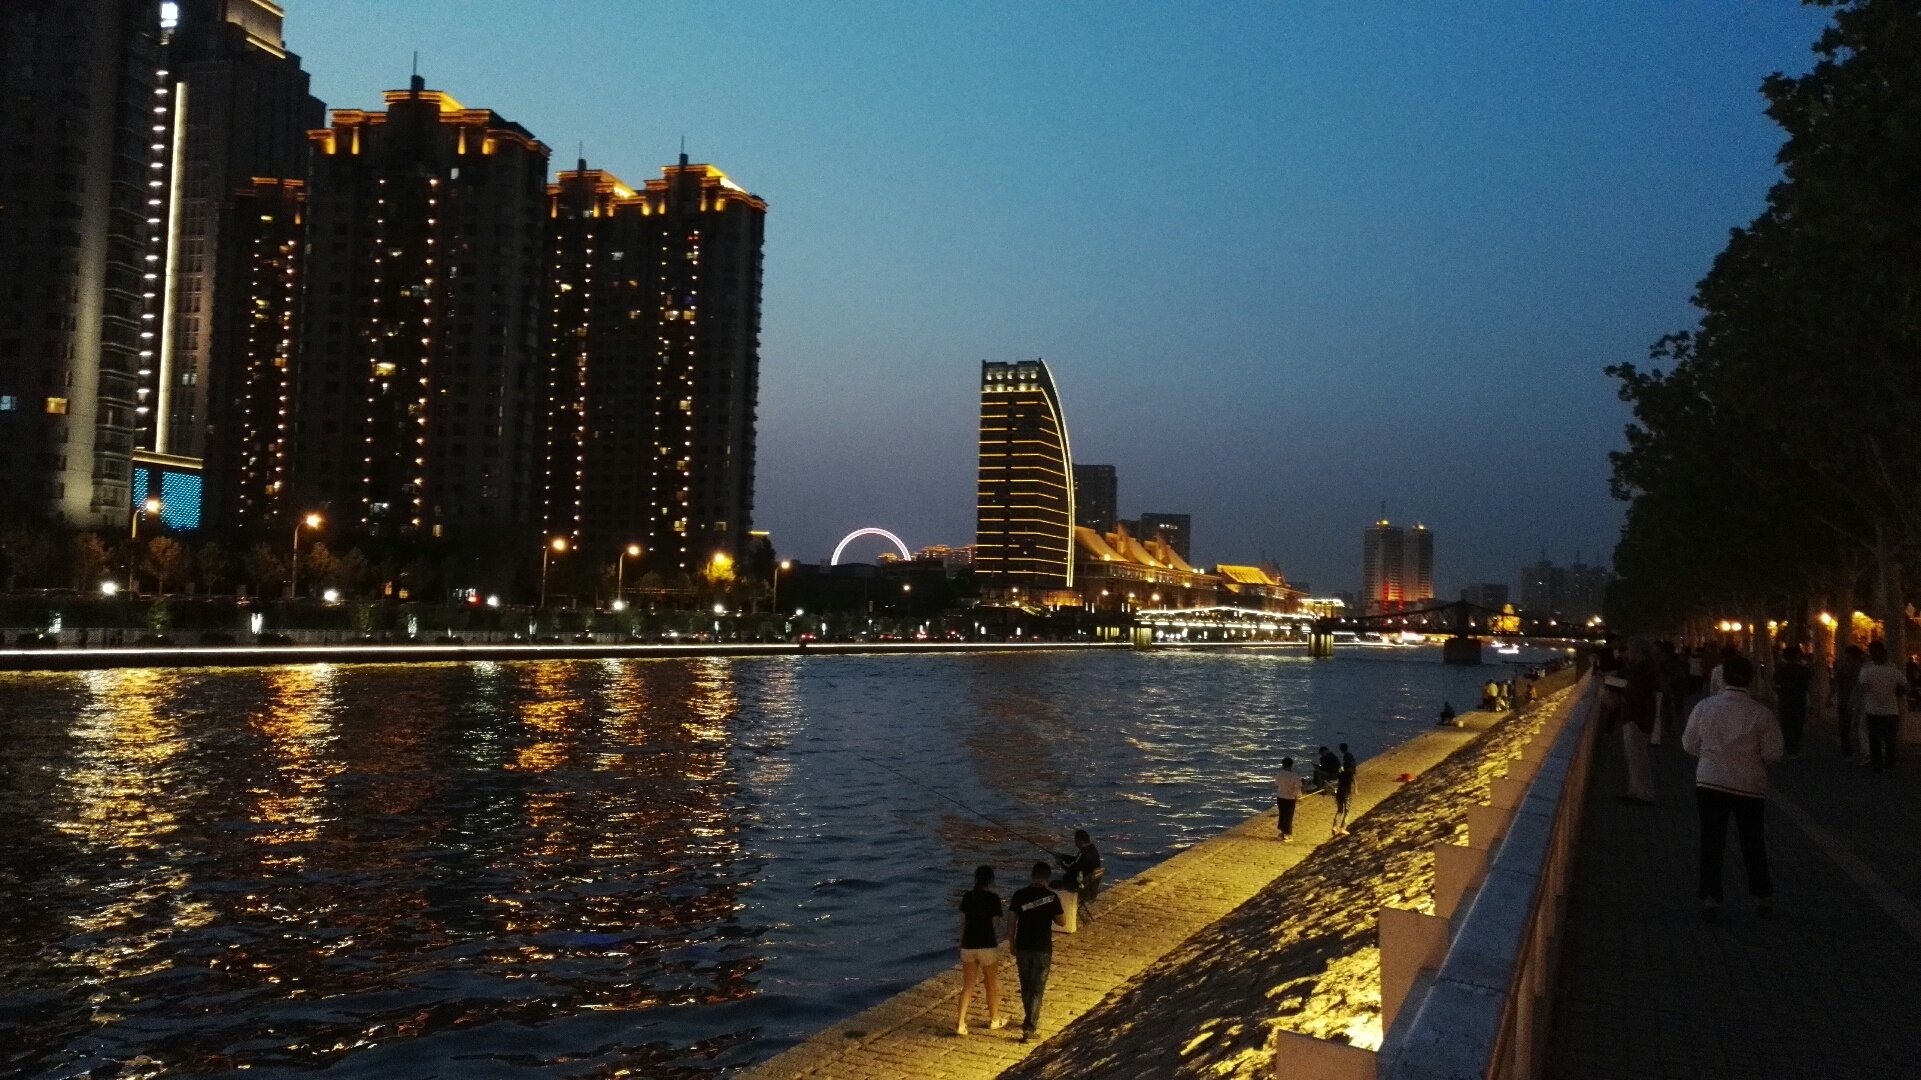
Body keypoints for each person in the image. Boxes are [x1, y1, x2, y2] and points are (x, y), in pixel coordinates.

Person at [1682, 654, 1782, 922]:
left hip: (1710, 780)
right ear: (1750, 679)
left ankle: (1710, 898)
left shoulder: (1705, 707)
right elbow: (1773, 753)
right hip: (1749, 785)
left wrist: (1711, 755)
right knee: (1752, 841)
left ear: (1722, 677)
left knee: (1711, 840)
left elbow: (1688, 744)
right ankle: (1762, 895)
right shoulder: (1761, 713)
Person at [1005, 860, 1064, 1042]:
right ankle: (1030, 1027)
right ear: (1047, 878)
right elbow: (1062, 922)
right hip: (1042, 947)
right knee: (1038, 987)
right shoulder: (1052, 897)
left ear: (1032, 875)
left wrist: (1011, 943)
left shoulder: (1019, 895)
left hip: (1023, 945)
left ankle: (1028, 1017)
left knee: (1026, 985)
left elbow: (1011, 922)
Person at [955, 865, 1005, 1036]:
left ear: (975, 879)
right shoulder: (993, 899)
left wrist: (960, 944)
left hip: (968, 946)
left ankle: (961, 1023)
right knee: (991, 984)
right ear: (991, 880)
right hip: (987, 945)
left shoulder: (967, 897)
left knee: (968, 985)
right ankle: (995, 1019)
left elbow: (962, 923)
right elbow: (996, 924)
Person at [1618, 639, 1659, 804]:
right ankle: (1635, 790)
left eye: (1630, 651)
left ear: (1637, 652)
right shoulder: (1645, 668)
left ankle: (1643, 793)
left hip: (1636, 717)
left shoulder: (1642, 671)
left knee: (1637, 755)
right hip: (1639, 717)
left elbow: (1637, 693)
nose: (1627, 654)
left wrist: (1622, 694)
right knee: (1635, 755)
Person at [1857, 640, 1905, 774]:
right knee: (1890, 740)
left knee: (1875, 739)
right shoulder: (1893, 670)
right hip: (1891, 710)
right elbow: (1905, 685)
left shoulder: (1867, 670)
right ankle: (1889, 766)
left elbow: (1862, 688)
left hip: (1873, 709)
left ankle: (1877, 766)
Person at [1772, 646, 1812, 757]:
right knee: (1798, 722)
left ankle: (1789, 747)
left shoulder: (1781, 669)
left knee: (1786, 723)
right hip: (1799, 699)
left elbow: (1774, 684)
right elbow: (1810, 684)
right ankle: (1796, 746)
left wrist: (1780, 691)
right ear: (1797, 656)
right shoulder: (1803, 669)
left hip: (1785, 699)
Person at [1055, 829, 1102, 913]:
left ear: (1080, 841)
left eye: (1075, 841)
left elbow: (1071, 869)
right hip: (1092, 886)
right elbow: (1076, 861)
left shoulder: (1083, 853)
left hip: (1083, 889)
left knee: (1057, 883)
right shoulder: (1092, 850)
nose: (1075, 843)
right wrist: (1063, 856)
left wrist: (1060, 863)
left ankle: (1064, 908)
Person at [1834, 644, 1864, 758]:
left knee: (1845, 727)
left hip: (1844, 700)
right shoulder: (1863, 669)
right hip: (1860, 701)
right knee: (1859, 727)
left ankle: (1847, 751)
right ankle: (1861, 749)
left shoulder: (1844, 668)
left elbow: (1835, 683)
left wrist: (1828, 697)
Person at [1275, 757, 1303, 840]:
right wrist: (1297, 796)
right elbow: (1297, 787)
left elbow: (1277, 783)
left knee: (1282, 814)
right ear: (1291, 765)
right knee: (1289, 816)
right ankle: (1287, 834)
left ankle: (1282, 831)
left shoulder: (1279, 774)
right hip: (1290, 798)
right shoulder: (1294, 775)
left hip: (1280, 797)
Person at [1332, 744, 1357, 835]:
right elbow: (1354, 781)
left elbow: (1337, 779)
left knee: (1339, 810)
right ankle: (1343, 828)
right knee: (1346, 811)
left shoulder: (1341, 773)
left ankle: (1334, 826)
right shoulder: (1350, 773)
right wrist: (1356, 788)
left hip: (1339, 792)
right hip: (1346, 792)